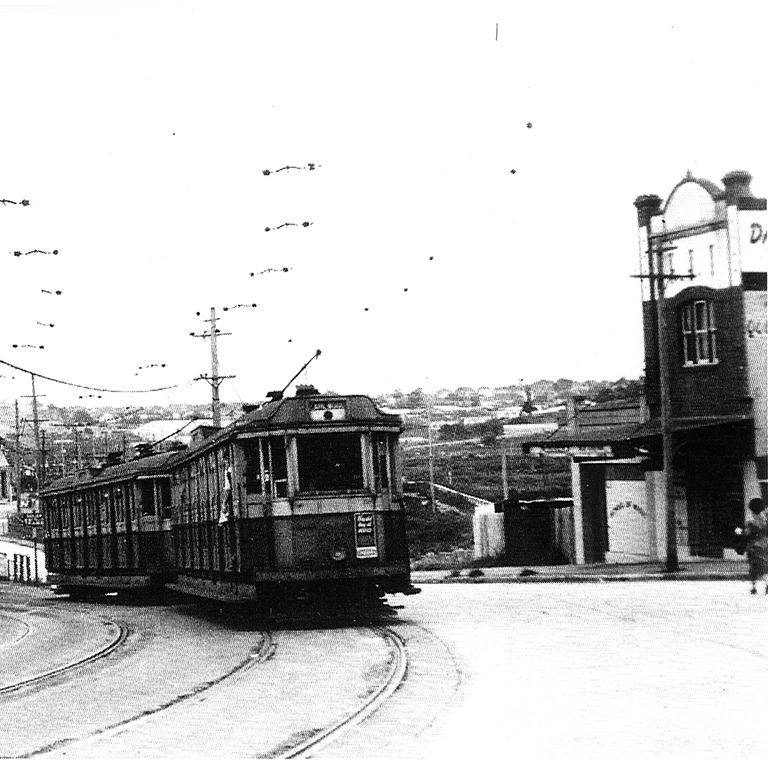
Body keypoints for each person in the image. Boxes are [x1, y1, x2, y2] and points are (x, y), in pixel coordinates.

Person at [740, 497, 768, 595]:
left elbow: (748, 533)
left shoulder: (751, 521)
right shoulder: (765, 519)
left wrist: (740, 531)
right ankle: (767, 583)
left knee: (754, 567)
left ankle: (754, 587)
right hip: (766, 545)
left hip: (754, 546)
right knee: (765, 566)